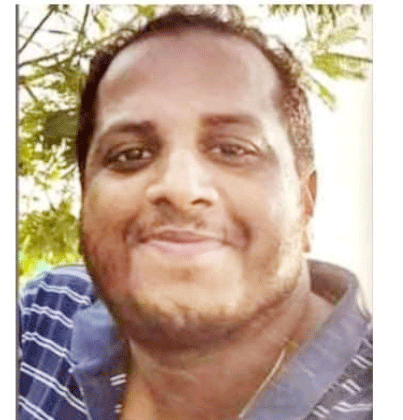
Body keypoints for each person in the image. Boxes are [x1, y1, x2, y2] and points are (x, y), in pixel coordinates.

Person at [18, 9, 372, 420]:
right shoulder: (43, 321)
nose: (180, 188)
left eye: (233, 149)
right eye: (129, 154)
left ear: (304, 200)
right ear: (85, 195)